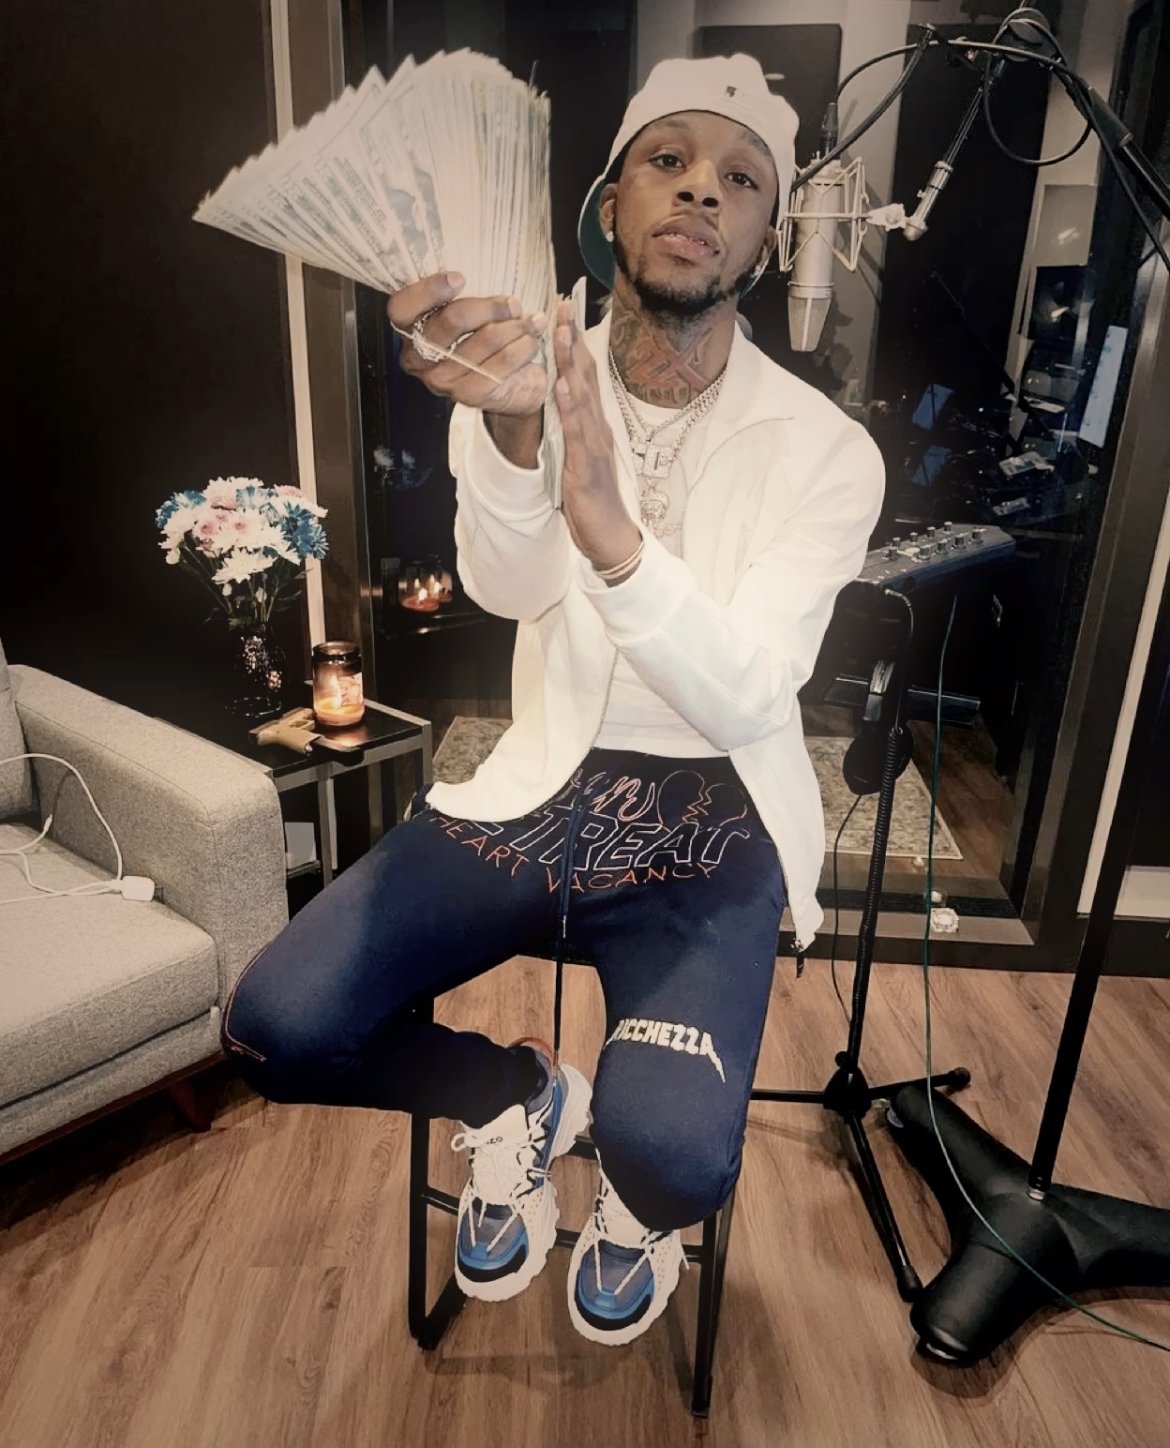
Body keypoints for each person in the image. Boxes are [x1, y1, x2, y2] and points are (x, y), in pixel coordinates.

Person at [220, 53, 884, 1347]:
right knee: (274, 1029)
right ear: (609, 201)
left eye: (740, 178)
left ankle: (634, 1192)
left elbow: (754, 693)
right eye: (667, 160)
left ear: (766, 233)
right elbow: (505, 584)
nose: (701, 189)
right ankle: (515, 1101)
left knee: (674, 1159)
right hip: (544, 782)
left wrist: (617, 542)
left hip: (716, 819)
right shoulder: (524, 372)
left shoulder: (828, 450)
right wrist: (520, 441)